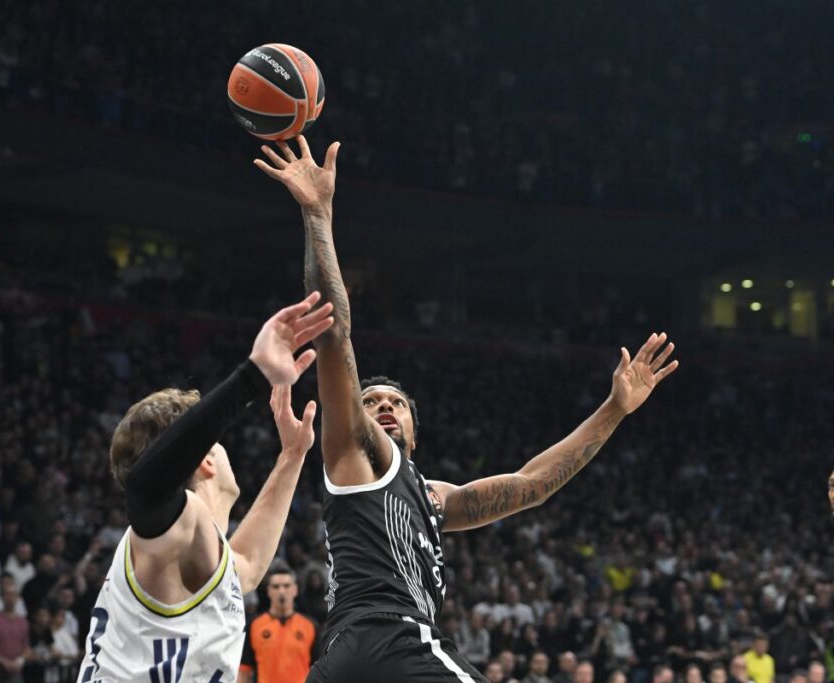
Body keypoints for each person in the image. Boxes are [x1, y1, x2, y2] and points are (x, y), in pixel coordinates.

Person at [254, 135, 679, 682]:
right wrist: (318, 215)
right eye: (370, 401)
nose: (383, 406)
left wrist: (615, 409)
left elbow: (531, 485)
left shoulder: (434, 498)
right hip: (391, 639)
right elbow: (336, 333)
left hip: (345, 661)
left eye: (396, 403)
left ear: (415, 429)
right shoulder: (358, 455)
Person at [77, 294, 333, 683]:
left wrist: (292, 456)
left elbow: (245, 570)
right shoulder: (175, 524)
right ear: (206, 461)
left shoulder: (195, 553)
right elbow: (146, 489)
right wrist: (253, 376)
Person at [240, 564, 319, 683]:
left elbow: (320, 669)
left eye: (286, 586)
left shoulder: (310, 625)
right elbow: (244, 670)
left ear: (295, 590)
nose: (281, 591)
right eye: (276, 586)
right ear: (269, 591)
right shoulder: (254, 625)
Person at [0, 582, 30, 683]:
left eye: (13, 594)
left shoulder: (23, 622)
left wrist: (20, 661)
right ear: (2, 597)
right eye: (7, 594)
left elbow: (26, 648)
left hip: (15, 672)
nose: (10, 598)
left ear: (17, 598)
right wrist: (2, 661)